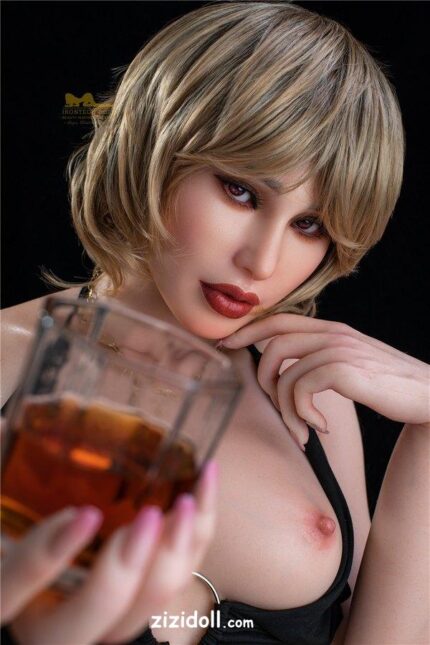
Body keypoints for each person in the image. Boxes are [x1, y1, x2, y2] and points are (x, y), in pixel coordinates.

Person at [1, 1, 429, 644]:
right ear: (153, 147)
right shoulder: (8, 362)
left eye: (308, 225)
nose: (263, 261)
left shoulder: (310, 395)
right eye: (241, 191)